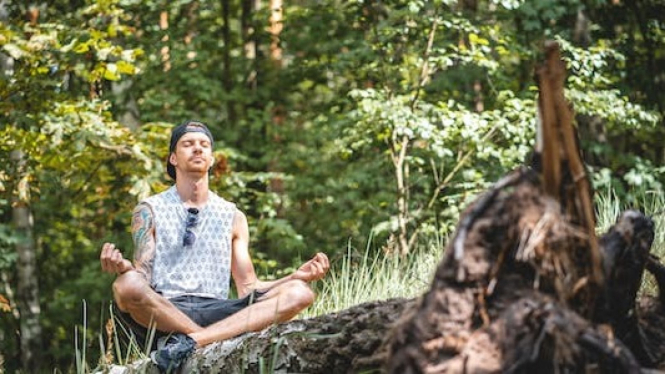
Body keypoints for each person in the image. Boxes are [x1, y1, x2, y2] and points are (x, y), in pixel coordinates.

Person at [100, 120, 329, 372]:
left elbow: (248, 287)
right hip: (166, 309)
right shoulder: (149, 210)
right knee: (126, 286)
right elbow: (142, 277)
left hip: (217, 308)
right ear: (173, 158)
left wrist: (295, 276)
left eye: (204, 145)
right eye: (188, 144)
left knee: (300, 292)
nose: (197, 149)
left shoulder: (233, 216)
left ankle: (190, 342)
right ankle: (201, 338)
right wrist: (124, 268)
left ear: (211, 159)